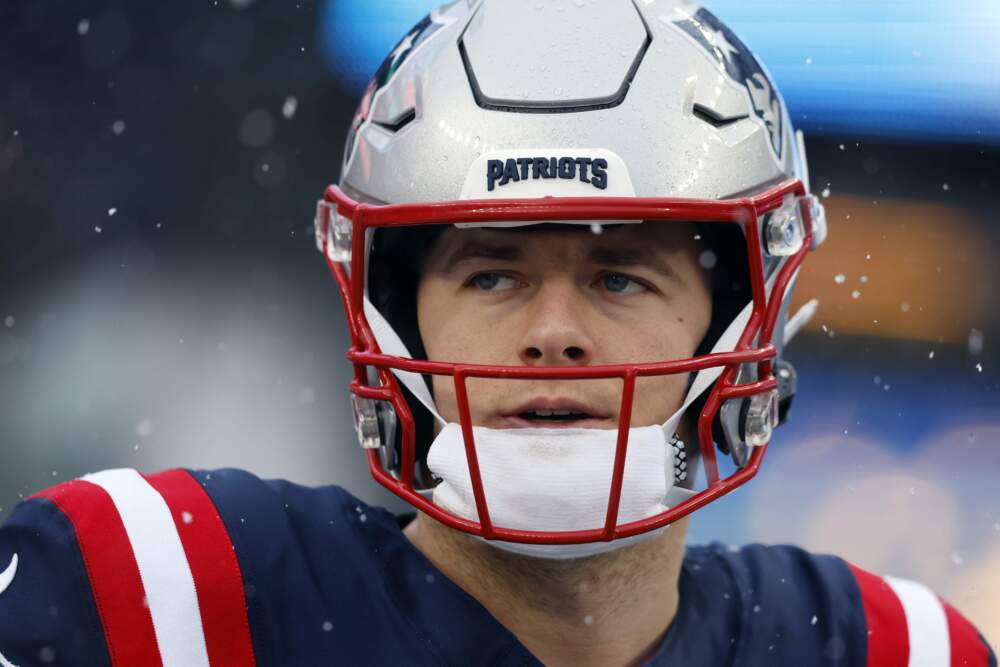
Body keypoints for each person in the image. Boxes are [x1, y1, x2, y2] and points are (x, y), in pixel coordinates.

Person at [0, 1, 994, 665]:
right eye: (491, 272)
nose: (553, 332)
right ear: (394, 312)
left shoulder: (884, 647)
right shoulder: (160, 590)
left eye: (617, 276)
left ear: (741, 317)